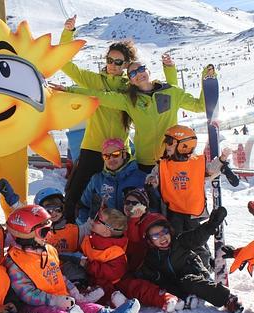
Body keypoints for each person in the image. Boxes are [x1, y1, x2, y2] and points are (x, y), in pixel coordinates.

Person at [59, 15, 179, 221]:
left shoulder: (130, 86)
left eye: (118, 62)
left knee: (122, 198)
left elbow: (167, 91)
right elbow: (65, 64)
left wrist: (170, 69)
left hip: (120, 153)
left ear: (126, 65)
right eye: (109, 60)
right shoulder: (94, 80)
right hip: (93, 147)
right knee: (75, 193)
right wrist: (68, 33)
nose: (112, 65)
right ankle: (70, 231)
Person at [52, 62, 206, 174]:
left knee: (172, 202)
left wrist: (206, 81)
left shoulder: (172, 92)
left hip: (171, 157)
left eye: (141, 69)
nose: (138, 74)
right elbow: (100, 96)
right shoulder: (129, 100)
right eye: (133, 73)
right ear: (130, 80)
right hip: (144, 162)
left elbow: (200, 106)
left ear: (148, 70)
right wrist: (69, 89)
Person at [4, 205, 141, 313]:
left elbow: (59, 276)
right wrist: (55, 301)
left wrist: (73, 291)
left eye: (49, 228)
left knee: (86, 306)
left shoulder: (49, 250)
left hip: (62, 297)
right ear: (25, 236)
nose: (49, 234)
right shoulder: (15, 261)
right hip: (36, 306)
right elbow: (27, 294)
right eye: (44, 231)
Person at [146, 125, 234, 267]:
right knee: (177, 240)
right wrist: (152, 180)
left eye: (169, 142)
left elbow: (210, 171)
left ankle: (204, 264)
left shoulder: (196, 164)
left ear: (184, 145)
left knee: (197, 239)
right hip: (173, 211)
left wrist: (222, 159)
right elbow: (154, 175)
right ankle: (181, 265)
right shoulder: (163, 164)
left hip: (192, 212)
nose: (166, 146)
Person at [137, 209, 244, 313]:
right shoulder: (151, 258)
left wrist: (211, 225)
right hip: (176, 283)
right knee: (167, 286)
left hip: (194, 274)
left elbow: (197, 237)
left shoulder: (180, 241)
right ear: (149, 241)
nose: (162, 237)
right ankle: (187, 298)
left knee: (188, 281)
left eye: (164, 232)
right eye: (156, 236)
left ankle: (227, 298)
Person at [78, 138, 146, 224]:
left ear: (124, 154)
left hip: (134, 229)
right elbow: (83, 206)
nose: (111, 159)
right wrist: (88, 226)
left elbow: (153, 207)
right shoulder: (97, 180)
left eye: (116, 154)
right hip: (105, 232)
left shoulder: (141, 178)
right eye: (106, 156)